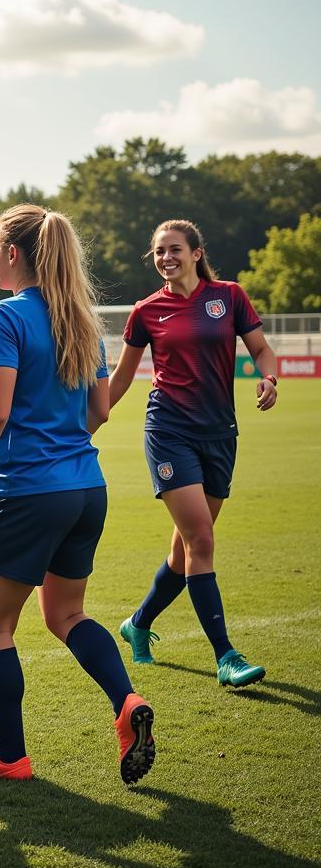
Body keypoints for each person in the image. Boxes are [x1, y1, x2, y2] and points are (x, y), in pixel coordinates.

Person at [0, 204, 154, 785]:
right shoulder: (82, 321)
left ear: (12, 254)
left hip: (28, 493)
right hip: (86, 489)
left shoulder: (5, 317)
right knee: (67, 614)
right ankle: (126, 701)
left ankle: (11, 759)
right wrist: (61, 447)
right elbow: (99, 411)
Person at [109, 219, 278, 687]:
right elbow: (122, 376)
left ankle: (138, 623)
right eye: (159, 251)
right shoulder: (145, 310)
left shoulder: (229, 296)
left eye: (175, 249)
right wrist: (90, 420)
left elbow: (261, 349)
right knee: (201, 540)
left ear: (196, 253)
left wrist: (269, 378)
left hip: (220, 434)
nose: (166, 257)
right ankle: (226, 657)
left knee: (185, 549)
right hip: (168, 432)